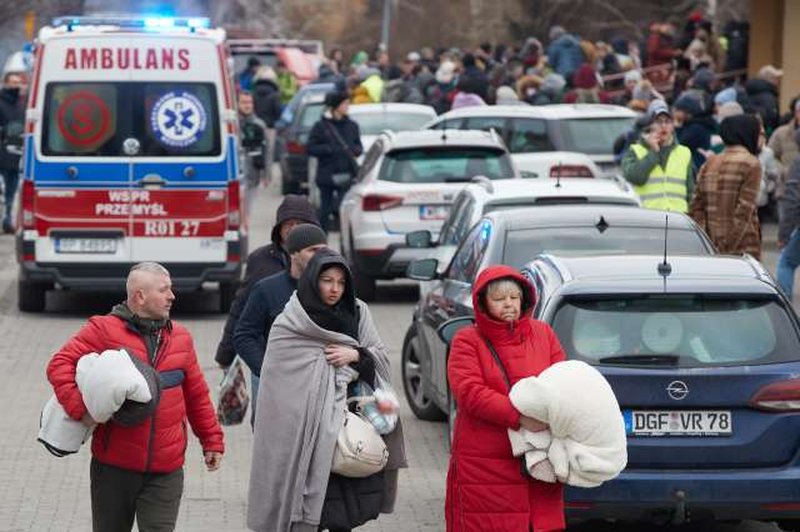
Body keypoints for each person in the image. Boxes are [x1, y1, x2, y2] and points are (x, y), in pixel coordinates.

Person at [46, 262, 224, 532]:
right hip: (114, 469)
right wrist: (81, 410)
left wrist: (211, 440)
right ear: (139, 296)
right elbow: (60, 364)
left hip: (167, 469)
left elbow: (196, 394)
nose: (172, 296)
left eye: (171, 289)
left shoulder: (181, 338)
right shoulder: (104, 330)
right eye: (164, 290)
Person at [247, 248, 407, 532]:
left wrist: (356, 356)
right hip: (303, 434)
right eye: (327, 280)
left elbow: (380, 358)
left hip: (352, 429)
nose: (334, 289)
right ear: (312, 280)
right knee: (312, 512)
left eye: (341, 282)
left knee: (345, 512)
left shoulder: (358, 311)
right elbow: (278, 383)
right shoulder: (291, 322)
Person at [446, 265, 566, 531]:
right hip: (485, 460)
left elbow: (563, 382)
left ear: (524, 298)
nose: (508, 304)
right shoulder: (467, 340)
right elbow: (470, 393)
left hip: (539, 459)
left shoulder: (543, 334)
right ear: (483, 303)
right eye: (499, 299)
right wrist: (519, 417)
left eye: (513, 297)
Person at [215, 195, 319, 369]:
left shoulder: (327, 262)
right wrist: (226, 355)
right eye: (288, 223)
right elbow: (240, 308)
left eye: (299, 223)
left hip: (312, 364)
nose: (294, 229)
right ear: (279, 228)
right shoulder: (259, 260)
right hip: (267, 362)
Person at [234, 224, 328, 412]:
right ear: (293, 253)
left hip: (319, 389)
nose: (320, 256)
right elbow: (244, 335)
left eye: (323, 250)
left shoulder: (332, 289)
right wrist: (267, 371)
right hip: (276, 391)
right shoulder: (267, 289)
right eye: (313, 250)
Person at [690, 114, 763, 259]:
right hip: (742, 249)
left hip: (710, 246)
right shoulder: (751, 163)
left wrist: (708, 242)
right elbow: (744, 212)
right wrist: (727, 247)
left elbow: (696, 208)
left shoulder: (709, 163)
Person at [622, 100, 694, 212]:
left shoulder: (684, 152)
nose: (663, 126)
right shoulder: (635, 150)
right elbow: (636, 177)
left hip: (678, 218)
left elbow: (690, 190)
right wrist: (653, 152)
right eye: (659, 122)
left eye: (667, 122)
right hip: (649, 218)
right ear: (650, 126)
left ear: (673, 126)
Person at [307, 91, 362, 231]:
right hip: (327, 175)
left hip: (346, 173)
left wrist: (354, 150)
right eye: (345, 103)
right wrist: (328, 149)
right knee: (325, 209)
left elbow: (358, 146)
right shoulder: (321, 126)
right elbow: (310, 148)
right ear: (335, 106)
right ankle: (322, 238)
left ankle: (344, 236)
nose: (348, 106)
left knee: (344, 207)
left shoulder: (352, 125)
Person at [777, 129, 800, 299]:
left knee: (786, 262)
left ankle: (784, 307)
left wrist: (784, 235)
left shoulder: (798, 164)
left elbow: (792, 201)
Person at [0, 72, 24, 233]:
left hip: (16, 154)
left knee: (12, 192)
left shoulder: (21, 105)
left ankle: (8, 220)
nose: (17, 85)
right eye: (13, 82)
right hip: (1, 151)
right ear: (5, 83)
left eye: (19, 83)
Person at [237, 91, 268, 214]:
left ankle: (245, 228)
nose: (247, 105)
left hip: (253, 173)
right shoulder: (233, 124)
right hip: (237, 174)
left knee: (248, 208)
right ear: (237, 103)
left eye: (249, 102)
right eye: (244, 102)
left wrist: (266, 175)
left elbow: (267, 150)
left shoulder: (259, 124)